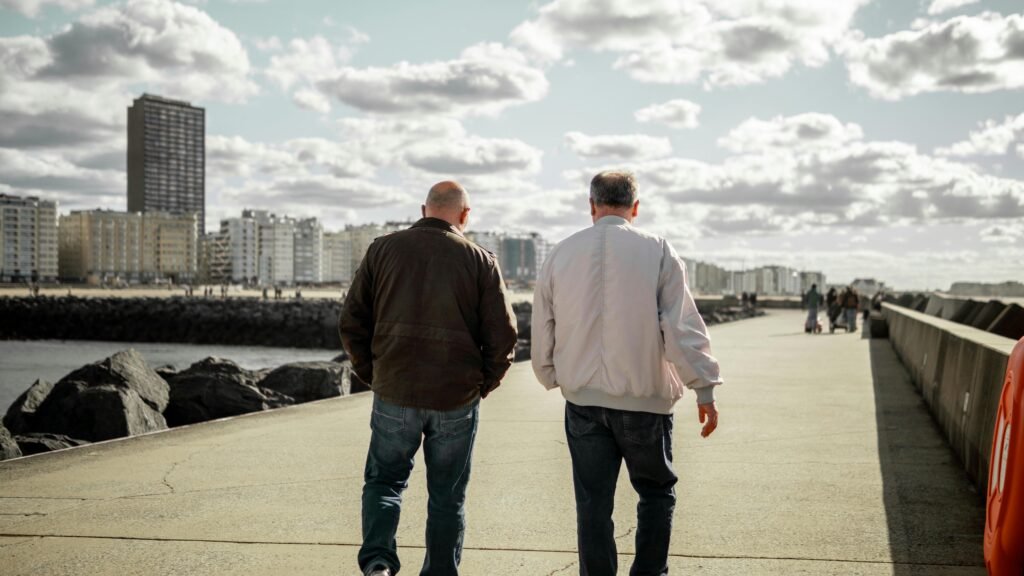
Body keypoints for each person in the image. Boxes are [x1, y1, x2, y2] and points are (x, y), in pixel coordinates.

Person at [532, 171, 723, 575]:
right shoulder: (658, 251)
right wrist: (703, 387)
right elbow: (681, 326)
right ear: (635, 207)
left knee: (593, 504)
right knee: (655, 495)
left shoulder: (561, 253)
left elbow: (543, 323)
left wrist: (551, 373)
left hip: (583, 401)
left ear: (591, 205)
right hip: (646, 400)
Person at [339, 180, 518, 576]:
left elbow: (352, 321)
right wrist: (481, 385)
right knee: (447, 498)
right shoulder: (480, 260)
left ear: (424, 210)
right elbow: (504, 336)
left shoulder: (382, 249)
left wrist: (375, 374)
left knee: (385, 483)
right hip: (456, 398)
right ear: (465, 215)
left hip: (395, 390)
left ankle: (379, 565)